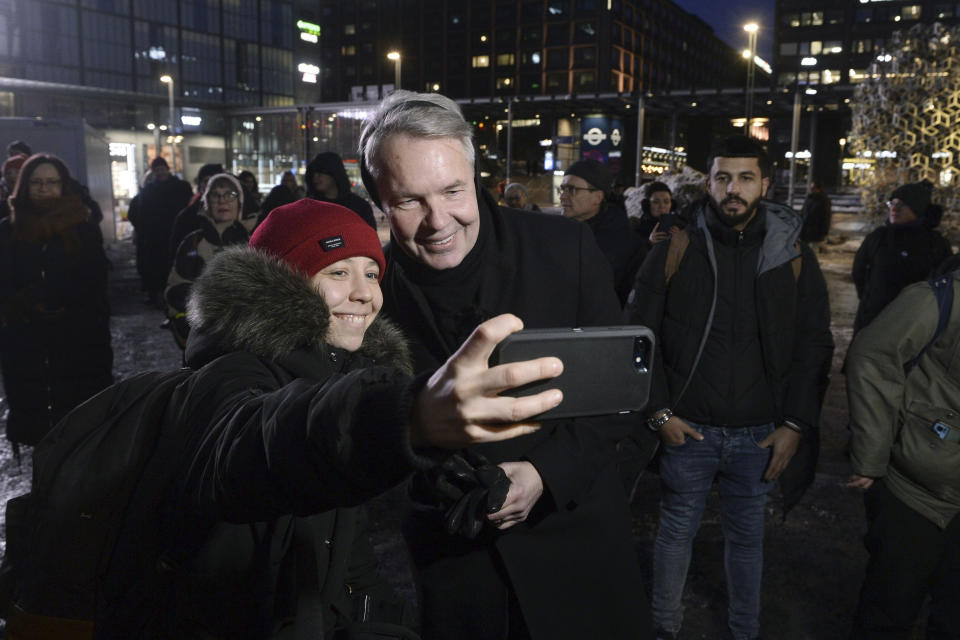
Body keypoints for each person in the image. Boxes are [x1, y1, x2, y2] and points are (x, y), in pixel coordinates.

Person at [119, 198, 564, 638]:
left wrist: (442, 481)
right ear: (281, 284)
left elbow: (344, 549)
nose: (364, 292)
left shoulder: (341, 368)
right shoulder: (231, 371)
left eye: (372, 273)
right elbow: (265, 445)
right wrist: (406, 419)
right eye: (338, 272)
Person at [358, 90, 649, 640]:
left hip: (577, 543)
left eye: (452, 191)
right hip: (458, 562)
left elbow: (621, 397)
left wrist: (544, 475)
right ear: (379, 199)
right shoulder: (368, 294)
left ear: (476, 176)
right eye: (408, 201)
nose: (437, 220)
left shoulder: (566, 248)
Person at [625, 135, 834, 640]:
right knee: (675, 534)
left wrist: (796, 425)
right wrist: (658, 414)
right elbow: (638, 337)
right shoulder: (677, 244)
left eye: (744, 178)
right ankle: (665, 629)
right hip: (688, 429)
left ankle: (746, 630)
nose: (732, 189)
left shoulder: (793, 255)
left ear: (765, 183)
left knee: (747, 540)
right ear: (709, 181)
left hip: (760, 435)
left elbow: (814, 347)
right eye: (722, 177)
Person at [845, 272, 960, 640]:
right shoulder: (939, 298)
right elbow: (874, 356)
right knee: (888, 613)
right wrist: (871, 456)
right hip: (916, 494)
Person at [0, 154, 113, 450]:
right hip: (27, 347)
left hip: (76, 342)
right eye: (36, 182)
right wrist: (20, 304)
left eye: (52, 182)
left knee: (77, 431)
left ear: (64, 186)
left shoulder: (83, 229)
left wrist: (67, 304)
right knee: (39, 434)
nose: (44, 188)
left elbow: (96, 286)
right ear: (24, 186)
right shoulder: (8, 231)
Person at [165, 173, 257, 349]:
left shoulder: (255, 243)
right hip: (203, 341)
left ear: (240, 202)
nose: (222, 201)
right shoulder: (193, 243)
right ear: (207, 202)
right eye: (215, 195)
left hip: (247, 343)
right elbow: (176, 290)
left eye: (230, 194)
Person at [852, 180, 952, 335]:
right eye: (892, 203)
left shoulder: (936, 244)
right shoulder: (879, 237)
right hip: (874, 320)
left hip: (915, 326)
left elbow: (944, 283)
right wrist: (870, 299)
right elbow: (859, 272)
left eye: (902, 205)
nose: (894, 209)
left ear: (917, 209)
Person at [560, 159, 637, 305]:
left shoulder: (619, 241)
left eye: (572, 189)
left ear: (598, 197)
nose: (563, 196)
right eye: (563, 189)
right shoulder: (560, 229)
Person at [127, 157, 193, 307]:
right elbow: (139, 213)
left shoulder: (180, 187)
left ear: (167, 169)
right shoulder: (149, 190)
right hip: (154, 237)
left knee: (173, 266)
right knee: (155, 267)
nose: (160, 172)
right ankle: (157, 295)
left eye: (161, 168)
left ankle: (173, 295)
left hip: (174, 234)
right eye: (156, 169)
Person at [168, 162, 226, 260]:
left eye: (216, 180)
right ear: (201, 185)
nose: (212, 186)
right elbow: (177, 253)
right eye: (207, 181)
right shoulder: (187, 217)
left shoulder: (232, 212)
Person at [306, 152, 377, 229]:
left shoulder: (359, 206)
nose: (315, 176)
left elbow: (369, 236)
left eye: (320, 172)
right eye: (313, 173)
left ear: (334, 172)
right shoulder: (309, 208)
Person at [800, 181, 832, 249]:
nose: (811, 189)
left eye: (813, 188)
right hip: (805, 232)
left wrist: (824, 232)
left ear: (818, 189)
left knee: (812, 252)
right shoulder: (809, 198)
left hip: (816, 232)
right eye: (811, 187)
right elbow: (803, 212)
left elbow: (826, 217)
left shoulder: (823, 200)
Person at [0, 154, 27, 220]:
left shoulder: (34, 199)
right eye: (8, 173)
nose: (12, 176)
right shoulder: (3, 202)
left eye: (17, 172)